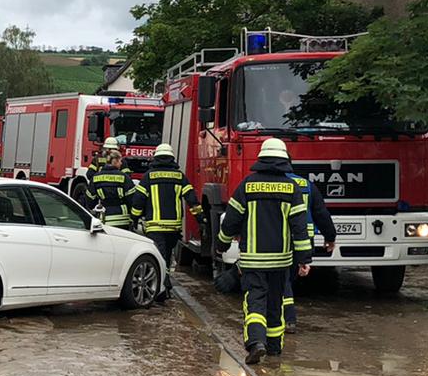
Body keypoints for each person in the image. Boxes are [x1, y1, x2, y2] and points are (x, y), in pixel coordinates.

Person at [218, 138, 312, 364]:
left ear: (261, 158)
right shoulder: (293, 189)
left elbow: (231, 221)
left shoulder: (247, 185)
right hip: (281, 261)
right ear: (284, 160)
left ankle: (255, 342)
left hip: (253, 261)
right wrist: (304, 259)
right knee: (275, 303)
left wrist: (221, 244)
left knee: (255, 302)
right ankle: (274, 350)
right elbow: (299, 227)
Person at [282, 167, 335, 331]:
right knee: (288, 279)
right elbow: (321, 213)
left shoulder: (274, 183)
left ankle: (287, 319)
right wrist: (330, 237)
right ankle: (287, 318)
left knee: (282, 279)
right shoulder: (306, 184)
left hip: (280, 240)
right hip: (303, 241)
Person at [141, 144, 196, 301]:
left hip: (154, 227)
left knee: (160, 256)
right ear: (172, 158)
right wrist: (201, 219)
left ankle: (161, 288)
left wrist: (135, 217)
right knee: (167, 257)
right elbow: (192, 199)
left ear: (155, 158)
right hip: (173, 227)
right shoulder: (180, 177)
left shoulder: (148, 177)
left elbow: (138, 200)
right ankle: (164, 286)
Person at [83, 140, 144, 230]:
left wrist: (100, 181)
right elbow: (131, 199)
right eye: (119, 161)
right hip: (122, 219)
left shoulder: (96, 167)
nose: (121, 163)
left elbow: (90, 199)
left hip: (103, 216)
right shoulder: (123, 177)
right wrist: (134, 217)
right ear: (115, 161)